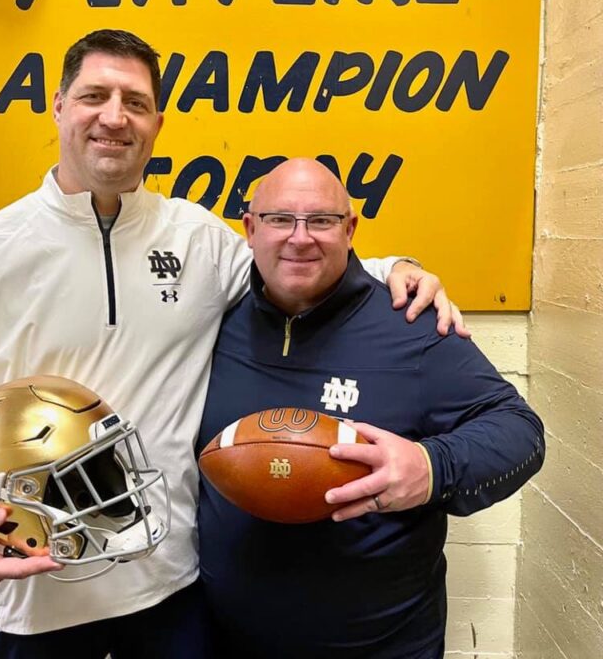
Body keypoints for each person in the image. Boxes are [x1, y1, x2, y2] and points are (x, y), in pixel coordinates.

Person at [0, 30, 464, 659]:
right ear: (57, 106)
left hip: (170, 589)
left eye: (135, 102)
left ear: (157, 122)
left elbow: (293, 260)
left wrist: (395, 268)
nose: (114, 116)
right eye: (94, 96)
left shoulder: (197, 240)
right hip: (33, 592)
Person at [197, 158, 545, 659]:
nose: (300, 238)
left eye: (321, 220)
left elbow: (521, 431)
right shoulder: (213, 323)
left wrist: (433, 466)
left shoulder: (411, 324)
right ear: (250, 229)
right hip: (227, 639)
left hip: (381, 645)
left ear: (351, 228)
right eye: (279, 219)